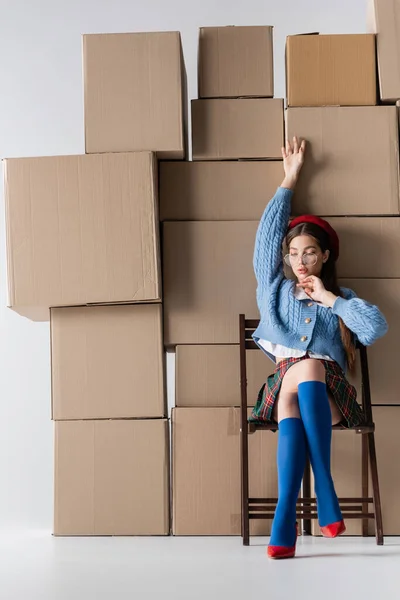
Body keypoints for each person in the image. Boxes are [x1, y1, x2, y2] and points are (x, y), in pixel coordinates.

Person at [250, 136, 388, 560]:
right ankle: (325, 488)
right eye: (294, 253)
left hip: (329, 396)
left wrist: (330, 299)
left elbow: (375, 328)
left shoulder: (341, 296)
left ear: (325, 256)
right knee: (302, 368)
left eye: (310, 252)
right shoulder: (275, 291)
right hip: (286, 379)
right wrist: (289, 179)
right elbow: (264, 245)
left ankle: (283, 523)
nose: (301, 260)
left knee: (307, 384)